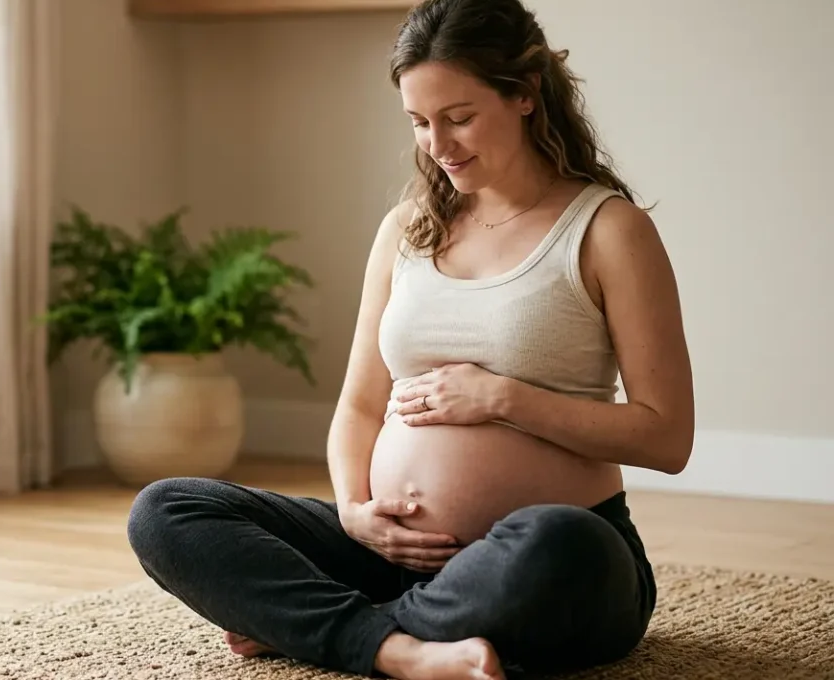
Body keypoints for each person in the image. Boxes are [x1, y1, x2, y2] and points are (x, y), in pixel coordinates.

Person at [125, 0, 696, 678]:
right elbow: (361, 407)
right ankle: (404, 647)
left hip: (537, 556)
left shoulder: (607, 231)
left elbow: (667, 438)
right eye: (420, 123)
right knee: (165, 511)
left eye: (458, 118)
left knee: (564, 545)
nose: (438, 144)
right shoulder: (407, 229)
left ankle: (326, 627)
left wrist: (503, 398)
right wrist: (355, 513)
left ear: (525, 93)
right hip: (385, 556)